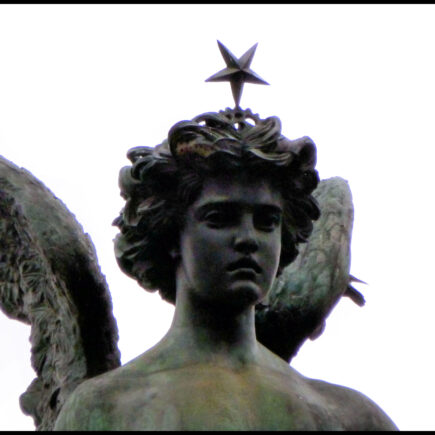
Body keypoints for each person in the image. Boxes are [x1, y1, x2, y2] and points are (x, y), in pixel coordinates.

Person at [54, 109, 397, 430]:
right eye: (219, 218)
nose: (248, 238)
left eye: (267, 222)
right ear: (171, 234)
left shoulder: (350, 417)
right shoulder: (108, 408)